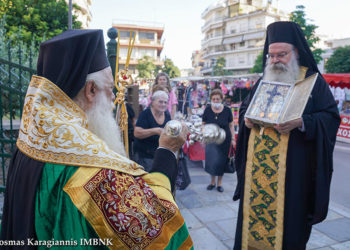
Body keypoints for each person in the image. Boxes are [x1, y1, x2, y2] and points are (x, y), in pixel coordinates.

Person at [1, 29, 193, 249]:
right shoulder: (95, 173)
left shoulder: (29, 139)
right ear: (91, 90)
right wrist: (167, 151)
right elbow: (156, 232)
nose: (114, 98)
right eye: (110, 89)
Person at [233, 21, 340, 250]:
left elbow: (330, 117)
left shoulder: (312, 82)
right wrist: (246, 119)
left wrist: (302, 122)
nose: (275, 60)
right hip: (257, 175)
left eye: (281, 54)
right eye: (271, 56)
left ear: (296, 52)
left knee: (289, 233)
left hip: (294, 178)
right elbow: (245, 108)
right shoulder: (264, 80)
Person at [202, 89, 235, 192]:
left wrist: (233, 138)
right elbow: (203, 124)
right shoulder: (207, 109)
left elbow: (231, 125)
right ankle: (212, 182)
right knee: (212, 160)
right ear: (211, 99)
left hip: (224, 139)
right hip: (211, 139)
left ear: (221, 99)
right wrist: (203, 137)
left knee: (221, 161)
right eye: (213, 99)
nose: (215, 101)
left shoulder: (227, 110)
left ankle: (219, 184)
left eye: (217, 99)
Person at [134, 90, 171, 172]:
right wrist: (155, 131)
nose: (163, 104)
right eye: (160, 102)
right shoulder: (145, 114)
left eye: (165, 102)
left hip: (160, 155)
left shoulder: (167, 115)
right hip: (144, 155)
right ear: (153, 102)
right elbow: (137, 133)